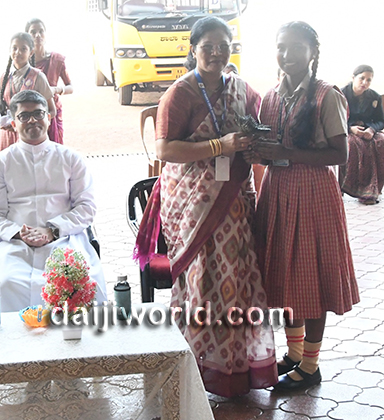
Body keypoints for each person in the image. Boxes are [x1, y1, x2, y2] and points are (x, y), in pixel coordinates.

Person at [134, 16, 277, 397]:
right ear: (193, 50)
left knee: (237, 281)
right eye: (207, 47)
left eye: (223, 46)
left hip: (235, 202)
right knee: (203, 283)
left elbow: (262, 130)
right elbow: (165, 150)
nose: (216, 53)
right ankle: (197, 368)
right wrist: (220, 146)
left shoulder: (242, 89)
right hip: (192, 205)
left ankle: (235, 368)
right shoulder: (181, 93)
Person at [250, 21, 359, 390]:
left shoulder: (327, 96)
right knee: (287, 276)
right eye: (281, 47)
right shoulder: (271, 97)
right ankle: (295, 355)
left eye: (297, 47)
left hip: (313, 194)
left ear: (314, 52)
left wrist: (287, 152)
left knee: (311, 278)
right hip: (277, 190)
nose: (287, 55)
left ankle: (310, 366)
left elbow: (340, 153)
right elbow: (268, 146)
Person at [0, 90, 106, 312]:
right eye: (24, 116)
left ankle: (73, 335)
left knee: (79, 281)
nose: (32, 121)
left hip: (65, 240)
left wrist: (52, 230)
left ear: (48, 118)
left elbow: (86, 208)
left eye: (38, 114)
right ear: (13, 123)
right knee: (6, 283)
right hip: (15, 244)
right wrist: (19, 233)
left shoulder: (71, 158)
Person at [0, 32, 56, 152]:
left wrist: (34, 123)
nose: (18, 52)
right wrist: (2, 122)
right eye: (14, 48)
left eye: (23, 49)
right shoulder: (4, 78)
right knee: (7, 162)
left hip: (31, 137)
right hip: (8, 136)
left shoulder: (38, 77)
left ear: (31, 52)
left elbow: (52, 110)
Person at [340, 64, 384, 204]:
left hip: (367, 131)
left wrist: (371, 130)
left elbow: (380, 120)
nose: (365, 82)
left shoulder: (374, 96)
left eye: (369, 80)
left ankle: (372, 189)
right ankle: (356, 189)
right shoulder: (341, 94)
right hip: (346, 130)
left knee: (381, 142)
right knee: (355, 145)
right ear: (353, 77)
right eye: (362, 78)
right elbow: (335, 118)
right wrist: (350, 128)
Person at [26, 18, 73, 144]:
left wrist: (55, 90)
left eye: (41, 31)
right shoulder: (24, 63)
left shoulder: (56, 60)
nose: (37, 35)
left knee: (55, 148)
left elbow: (70, 87)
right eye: (33, 32)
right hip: (30, 115)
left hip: (53, 111)